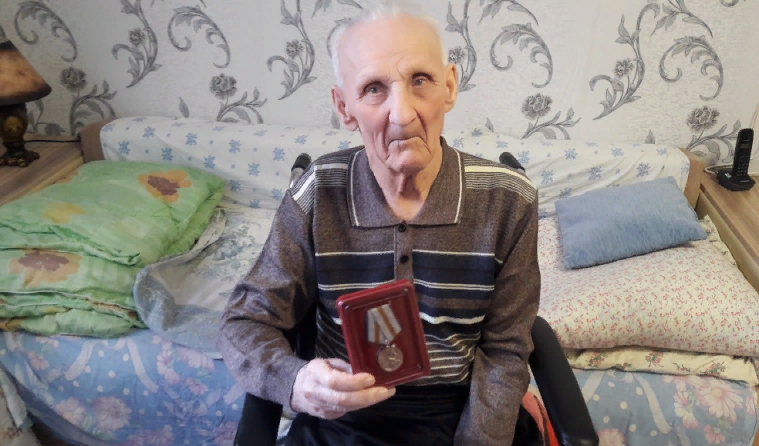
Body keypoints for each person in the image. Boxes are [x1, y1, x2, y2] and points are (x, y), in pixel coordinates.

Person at [219, 1, 541, 444]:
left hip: (460, 412)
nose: (402, 114)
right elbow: (243, 322)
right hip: (343, 418)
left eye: (420, 80)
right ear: (344, 107)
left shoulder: (509, 200)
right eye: (374, 89)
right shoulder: (316, 194)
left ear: (449, 85)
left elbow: (506, 348)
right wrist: (296, 381)